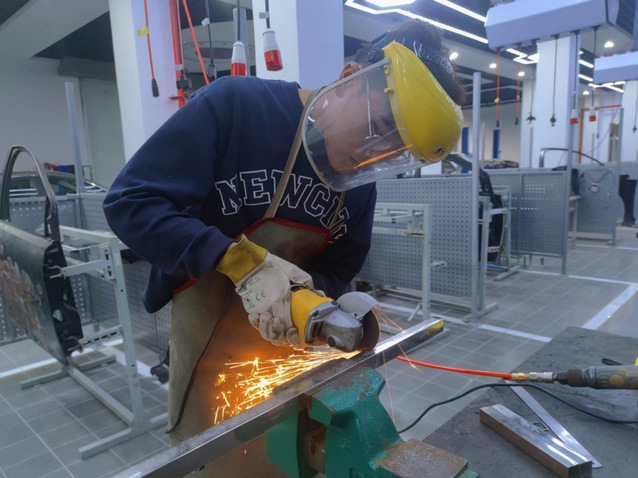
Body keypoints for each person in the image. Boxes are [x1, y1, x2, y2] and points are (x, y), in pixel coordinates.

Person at [103, 19, 464, 476]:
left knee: (284, 461)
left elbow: (341, 265)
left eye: (394, 152)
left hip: (284, 357)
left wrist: (311, 303)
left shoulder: (361, 184)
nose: (373, 154)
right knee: (212, 463)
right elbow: (131, 202)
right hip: (208, 351)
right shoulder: (237, 108)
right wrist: (237, 261)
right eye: (378, 127)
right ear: (348, 79)